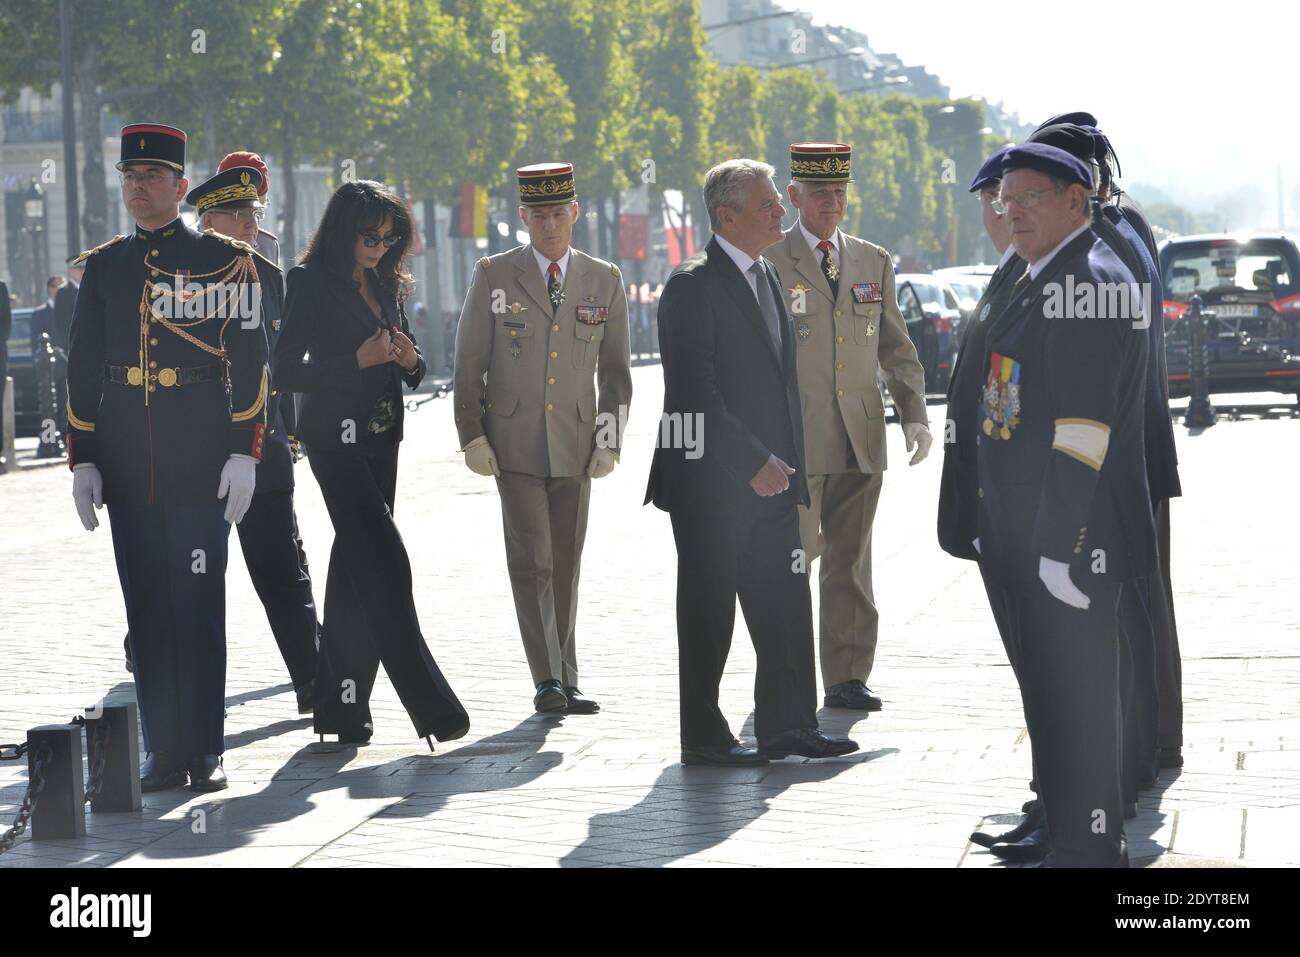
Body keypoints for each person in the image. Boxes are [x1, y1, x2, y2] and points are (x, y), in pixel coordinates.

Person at [65, 123, 269, 793]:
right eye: (129, 177)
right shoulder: (104, 266)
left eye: (151, 177)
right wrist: (83, 458)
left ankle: (204, 746)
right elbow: (83, 367)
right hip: (127, 460)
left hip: (199, 455)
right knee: (148, 604)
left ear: (181, 188)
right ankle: (163, 747)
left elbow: (250, 358)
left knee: (197, 600)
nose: (137, 187)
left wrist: (245, 451)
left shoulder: (223, 261)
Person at [975, 143, 1154, 867]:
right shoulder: (1048, 274)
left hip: (1075, 537)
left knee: (1081, 699)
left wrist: (1054, 545)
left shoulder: (1086, 281)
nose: (1009, 211)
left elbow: (1083, 430)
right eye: (1003, 199)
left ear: (1076, 202)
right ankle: (1068, 836)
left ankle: (1087, 848)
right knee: (1055, 696)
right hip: (1032, 529)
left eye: (1028, 198)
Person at [645, 158, 858, 767]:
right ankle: (705, 736)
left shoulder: (766, 274)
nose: (781, 213)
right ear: (727, 216)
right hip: (713, 485)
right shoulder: (692, 285)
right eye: (767, 205)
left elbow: (781, 384)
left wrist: (786, 461)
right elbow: (694, 393)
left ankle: (789, 726)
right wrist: (752, 461)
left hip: (775, 480)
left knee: (785, 603)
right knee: (710, 612)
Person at [274, 179, 468, 748]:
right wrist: (352, 360)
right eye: (369, 236)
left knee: (355, 563)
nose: (380, 246)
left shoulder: (386, 282)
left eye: (390, 237)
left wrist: (412, 359)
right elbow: (284, 370)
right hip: (333, 437)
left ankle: (340, 708)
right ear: (342, 230)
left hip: (384, 435)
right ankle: (431, 706)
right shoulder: (308, 282)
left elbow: (406, 356)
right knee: (384, 557)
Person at [453, 163, 632, 715]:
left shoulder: (604, 279)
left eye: (560, 214)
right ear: (523, 218)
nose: (550, 225)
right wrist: (472, 436)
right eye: (540, 216)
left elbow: (616, 373)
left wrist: (610, 440)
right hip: (514, 443)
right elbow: (469, 366)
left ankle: (567, 674)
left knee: (567, 560)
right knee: (533, 560)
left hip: (577, 444)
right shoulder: (494, 276)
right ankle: (547, 679)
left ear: (574, 214)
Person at [764, 143, 930, 712]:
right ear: (794, 197)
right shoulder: (768, 259)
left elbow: (896, 347)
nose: (831, 202)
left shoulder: (870, 260)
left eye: (839, 191)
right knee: (792, 561)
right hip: (796, 442)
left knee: (851, 564)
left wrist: (914, 415)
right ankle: (785, 677)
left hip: (861, 439)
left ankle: (847, 676)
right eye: (819, 193)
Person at [191, 163, 320, 714]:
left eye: (254, 214)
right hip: (196, 453)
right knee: (191, 574)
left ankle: (316, 684)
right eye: (238, 214)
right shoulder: (181, 274)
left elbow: (278, 367)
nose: (249, 224)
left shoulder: (269, 277)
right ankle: (187, 699)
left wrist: (288, 436)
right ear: (208, 219)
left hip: (263, 447)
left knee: (284, 571)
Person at [217, 151, 281, 265]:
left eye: (257, 213)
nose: (252, 224)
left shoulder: (267, 246)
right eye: (241, 213)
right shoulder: (191, 243)